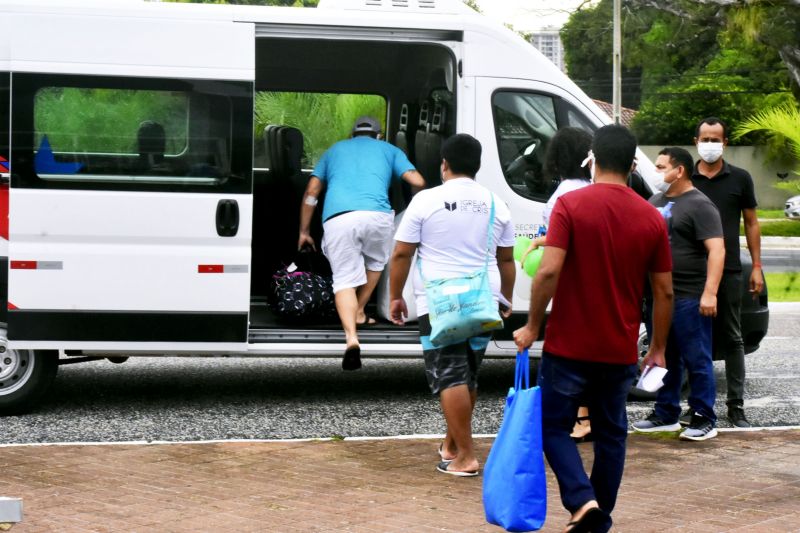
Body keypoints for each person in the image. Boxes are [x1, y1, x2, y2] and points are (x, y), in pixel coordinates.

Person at [513, 125, 673, 533]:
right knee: (611, 434)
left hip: (568, 344)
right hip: (618, 347)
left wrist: (532, 326)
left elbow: (548, 270)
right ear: (633, 163)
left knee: (552, 427)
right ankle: (596, 517)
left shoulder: (571, 205)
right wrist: (657, 348)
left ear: (593, 159)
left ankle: (583, 503)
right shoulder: (651, 217)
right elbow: (664, 292)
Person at [388, 133, 515, 477]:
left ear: (444, 164)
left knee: (450, 376)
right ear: (477, 166)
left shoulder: (427, 200)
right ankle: (451, 445)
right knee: (467, 373)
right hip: (483, 297)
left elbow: (402, 252)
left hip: (441, 299)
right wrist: (506, 297)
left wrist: (395, 295)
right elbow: (506, 260)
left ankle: (466, 457)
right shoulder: (496, 203)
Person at [298, 116, 426, 371]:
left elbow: (312, 192)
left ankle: (351, 338)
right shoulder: (390, 149)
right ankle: (359, 310)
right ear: (378, 135)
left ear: (352, 133)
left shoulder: (334, 150)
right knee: (377, 262)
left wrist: (304, 231)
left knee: (344, 280)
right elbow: (418, 181)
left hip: (339, 219)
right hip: (377, 217)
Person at [632, 147, 725, 441]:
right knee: (663, 354)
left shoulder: (700, 205)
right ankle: (666, 412)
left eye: (661, 167)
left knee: (696, 358)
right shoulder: (655, 201)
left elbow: (717, 250)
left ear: (679, 170)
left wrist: (709, 293)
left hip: (689, 295)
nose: (657, 172)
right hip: (658, 297)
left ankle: (703, 416)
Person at [519, 127, 594, 443]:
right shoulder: (589, 188)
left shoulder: (564, 193)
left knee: (569, 355)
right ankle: (584, 416)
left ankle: (579, 417)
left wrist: (538, 244)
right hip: (588, 278)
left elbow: (565, 239)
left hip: (568, 280)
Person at [691, 117, 762, 428]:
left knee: (733, 337)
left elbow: (752, 222)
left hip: (731, 269)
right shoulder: (684, 177)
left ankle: (736, 406)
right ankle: (697, 406)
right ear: (695, 141)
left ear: (725, 143)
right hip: (692, 271)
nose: (710, 145)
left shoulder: (741, 178)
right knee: (695, 339)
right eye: (704, 139)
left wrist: (757, 266)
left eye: (715, 139)